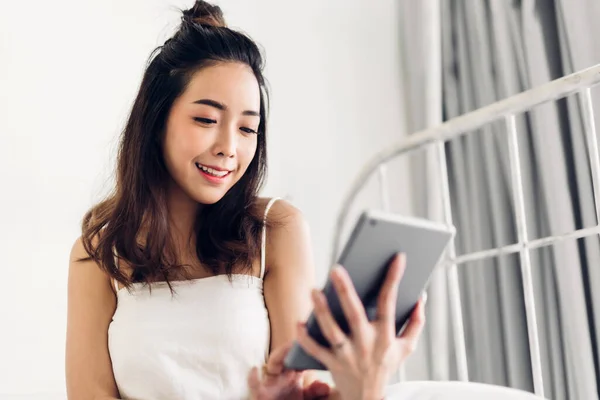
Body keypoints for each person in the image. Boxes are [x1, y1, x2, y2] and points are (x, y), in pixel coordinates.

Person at [64, 1, 425, 399]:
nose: (228, 148)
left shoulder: (276, 230)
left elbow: (297, 387)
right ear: (156, 120)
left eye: (248, 128)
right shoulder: (98, 252)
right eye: (206, 120)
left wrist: (363, 388)